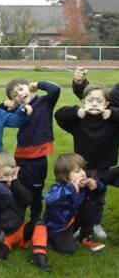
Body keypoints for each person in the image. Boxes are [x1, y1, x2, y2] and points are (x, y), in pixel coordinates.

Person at [55, 83, 119, 239]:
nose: (95, 104)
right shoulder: (79, 120)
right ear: (84, 102)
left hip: (104, 167)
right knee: (80, 195)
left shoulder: (112, 121)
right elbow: (59, 115)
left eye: (99, 101)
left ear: (106, 104)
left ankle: (96, 223)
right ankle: (80, 223)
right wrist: (77, 112)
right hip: (82, 168)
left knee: (99, 196)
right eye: (91, 100)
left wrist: (113, 114)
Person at [0, 78, 60, 219]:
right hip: (22, 157)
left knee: (37, 190)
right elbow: (0, 116)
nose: (19, 94)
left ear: (29, 88)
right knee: (18, 188)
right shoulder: (18, 110)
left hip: (39, 158)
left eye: (21, 89)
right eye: (14, 94)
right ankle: (18, 217)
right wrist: (5, 104)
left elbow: (55, 89)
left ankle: (35, 218)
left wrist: (38, 84)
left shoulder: (45, 102)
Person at [0, 152, 52, 272]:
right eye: (5, 175)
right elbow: (0, 204)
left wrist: (15, 182)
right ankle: (7, 246)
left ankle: (39, 256)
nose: (9, 178)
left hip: (19, 229)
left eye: (12, 174)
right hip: (2, 235)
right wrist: (1, 184)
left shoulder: (15, 183)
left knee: (38, 222)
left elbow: (28, 200)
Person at [44, 153, 105, 254]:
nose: (82, 173)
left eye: (83, 169)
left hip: (72, 221)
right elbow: (49, 199)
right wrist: (70, 189)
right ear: (65, 177)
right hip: (58, 227)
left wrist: (96, 185)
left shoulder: (83, 186)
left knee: (90, 204)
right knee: (68, 250)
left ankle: (84, 237)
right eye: (77, 171)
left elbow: (100, 192)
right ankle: (50, 238)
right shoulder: (58, 187)